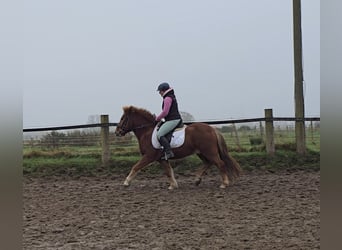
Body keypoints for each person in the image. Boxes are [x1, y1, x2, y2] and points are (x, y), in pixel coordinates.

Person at [155, 82, 182, 160]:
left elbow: (165, 112)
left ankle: (168, 152)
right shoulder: (170, 97)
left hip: (173, 120)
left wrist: (157, 118)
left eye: (160, 91)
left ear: (163, 91)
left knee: (159, 134)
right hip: (173, 119)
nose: (159, 93)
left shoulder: (167, 98)